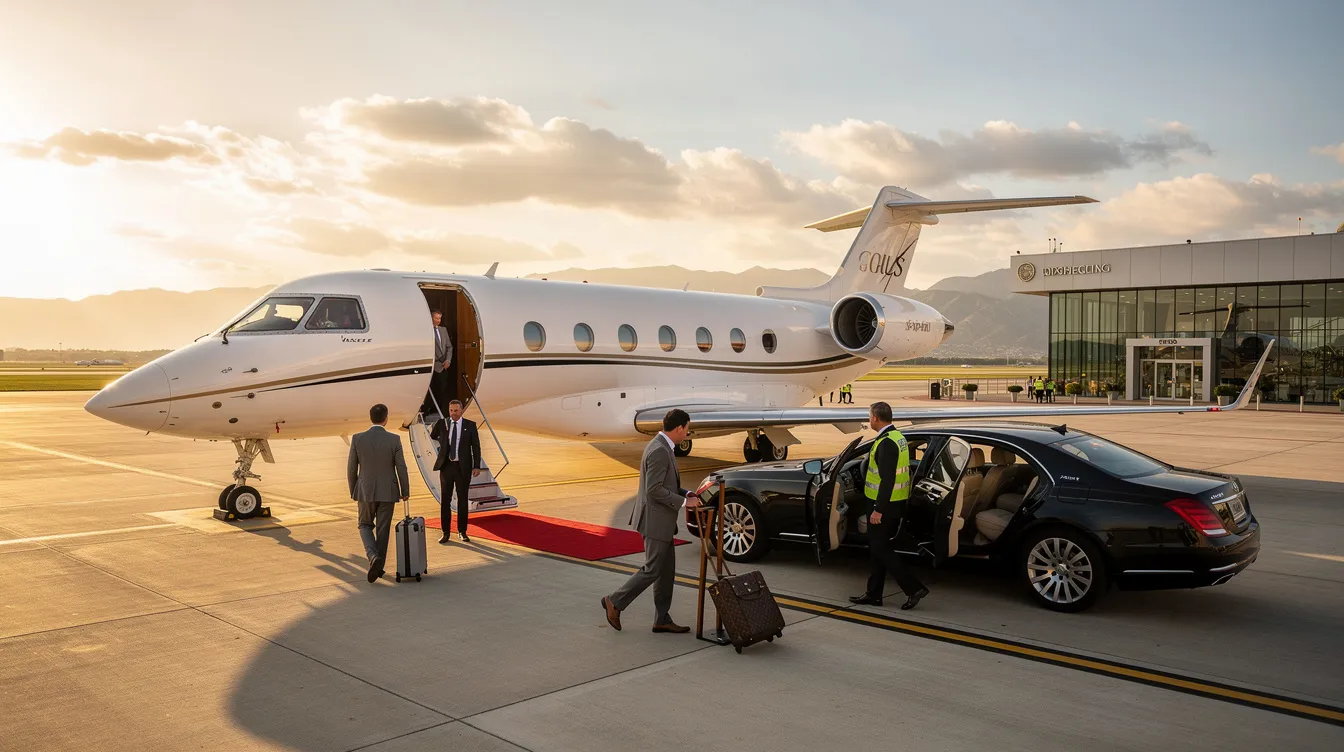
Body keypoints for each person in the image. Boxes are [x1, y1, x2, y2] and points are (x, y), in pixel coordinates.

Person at [601, 408, 700, 633]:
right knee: (653, 570)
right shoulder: (659, 450)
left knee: (666, 572)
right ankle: (615, 601)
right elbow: (654, 490)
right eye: (687, 429)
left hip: (662, 521)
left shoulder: (663, 446)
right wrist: (685, 504)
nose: (687, 433)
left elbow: (665, 485)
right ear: (679, 428)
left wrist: (685, 494)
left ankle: (662, 618)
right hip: (655, 522)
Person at [849, 401, 929, 610]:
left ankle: (914, 588)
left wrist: (878, 510)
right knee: (877, 549)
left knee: (881, 549)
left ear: (875, 418)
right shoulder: (898, 437)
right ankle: (874, 594)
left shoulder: (886, 442)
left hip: (884, 505)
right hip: (893, 502)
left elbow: (887, 480)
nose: (869, 420)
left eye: (869, 417)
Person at [348, 403, 410, 583]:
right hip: (388, 491)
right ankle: (378, 567)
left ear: (370, 419)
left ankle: (372, 556)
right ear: (386, 419)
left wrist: (354, 490)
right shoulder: (394, 440)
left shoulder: (358, 439)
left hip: (365, 490)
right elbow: (401, 467)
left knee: (365, 525)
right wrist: (404, 490)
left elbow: (352, 468)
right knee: (383, 531)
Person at [431, 400, 482, 543]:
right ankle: (445, 532)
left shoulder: (470, 426)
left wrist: (476, 465)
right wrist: (443, 448)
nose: (453, 413)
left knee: (462, 500)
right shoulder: (442, 424)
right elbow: (433, 436)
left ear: (461, 411)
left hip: (462, 468)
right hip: (447, 467)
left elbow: (476, 447)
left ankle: (462, 531)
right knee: (445, 500)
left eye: (456, 411)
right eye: (451, 410)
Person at [424, 309, 453, 416]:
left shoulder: (443, 330)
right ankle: (426, 411)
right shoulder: (427, 331)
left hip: (443, 366)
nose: (438, 320)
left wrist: (448, 360)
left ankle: (444, 413)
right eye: (436, 318)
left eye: (440, 318)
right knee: (430, 391)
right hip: (432, 366)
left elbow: (449, 347)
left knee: (443, 391)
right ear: (431, 318)